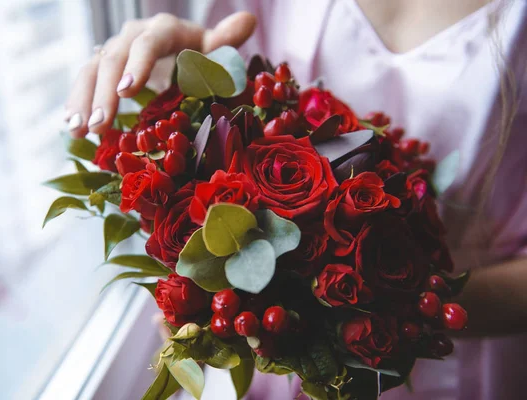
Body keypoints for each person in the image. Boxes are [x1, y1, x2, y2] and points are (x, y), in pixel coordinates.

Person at [64, 0, 527, 398]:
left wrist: (386, 306)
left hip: (458, 369)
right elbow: (245, 96)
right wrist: (191, 101)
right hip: (277, 354)